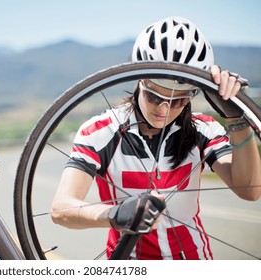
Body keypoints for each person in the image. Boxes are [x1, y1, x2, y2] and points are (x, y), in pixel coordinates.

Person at [50, 16, 261, 260]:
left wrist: (238, 120)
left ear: (192, 95)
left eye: (178, 101)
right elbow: (60, 209)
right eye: (153, 96)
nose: (163, 110)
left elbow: (250, 191)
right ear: (140, 81)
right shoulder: (99, 132)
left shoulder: (204, 129)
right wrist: (116, 215)